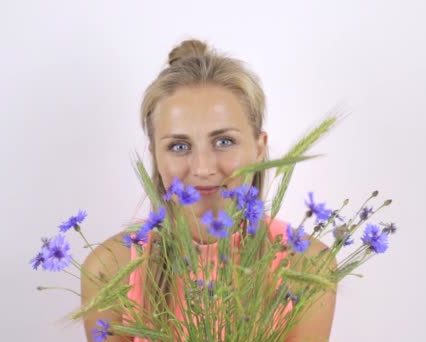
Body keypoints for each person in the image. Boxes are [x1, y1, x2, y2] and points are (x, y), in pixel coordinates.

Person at [81, 39, 336, 341]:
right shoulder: (109, 269)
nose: (202, 167)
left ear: (259, 147)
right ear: (155, 156)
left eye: (224, 141)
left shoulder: (307, 263)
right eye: (179, 146)